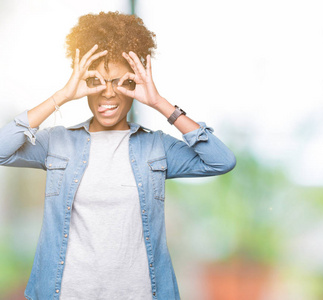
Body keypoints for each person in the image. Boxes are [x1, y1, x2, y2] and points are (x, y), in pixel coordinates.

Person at [0, 11, 236, 300]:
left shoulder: (155, 147)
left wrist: (161, 104)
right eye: (96, 81)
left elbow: (221, 160)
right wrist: (61, 95)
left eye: (119, 82)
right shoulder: (58, 143)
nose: (108, 93)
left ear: (134, 84)